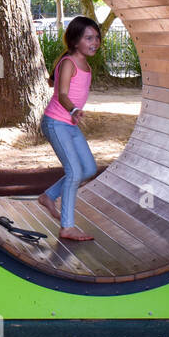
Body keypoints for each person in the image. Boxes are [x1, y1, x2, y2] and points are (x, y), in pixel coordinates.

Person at [37, 16, 101, 241]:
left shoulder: (86, 64)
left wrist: (74, 114)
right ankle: (67, 226)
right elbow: (61, 93)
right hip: (56, 122)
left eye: (96, 38)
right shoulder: (68, 63)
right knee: (74, 171)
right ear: (75, 41)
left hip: (69, 125)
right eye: (88, 38)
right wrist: (74, 110)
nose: (94, 42)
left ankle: (49, 196)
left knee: (88, 169)